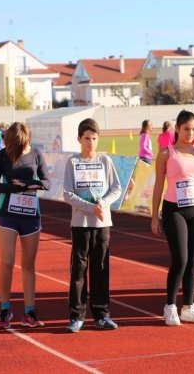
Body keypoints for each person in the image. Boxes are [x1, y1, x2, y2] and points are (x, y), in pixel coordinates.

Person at [151, 110, 194, 326]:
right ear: (177, 129)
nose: (190, 133)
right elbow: (159, 184)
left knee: (193, 261)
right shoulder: (166, 154)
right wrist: (154, 216)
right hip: (173, 209)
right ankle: (170, 306)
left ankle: (188, 307)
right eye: (186, 128)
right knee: (180, 259)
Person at [0, 122, 51, 329]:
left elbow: (47, 181)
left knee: (29, 264)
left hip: (30, 214)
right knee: (7, 261)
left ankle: (29, 312)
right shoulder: (3, 155)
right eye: (20, 145)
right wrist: (13, 189)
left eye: (26, 144)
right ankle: (5, 310)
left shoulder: (36, 154)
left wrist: (33, 185)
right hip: (7, 213)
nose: (24, 148)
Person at [63, 118, 122, 333]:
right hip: (80, 223)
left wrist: (103, 203)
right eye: (86, 138)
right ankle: (76, 316)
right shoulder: (73, 162)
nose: (90, 142)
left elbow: (116, 188)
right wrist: (89, 208)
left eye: (94, 138)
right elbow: (67, 193)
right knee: (79, 269)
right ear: (79, 139)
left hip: (102, 223)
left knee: (101, 268)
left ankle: (101, 314)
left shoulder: (105, 161)